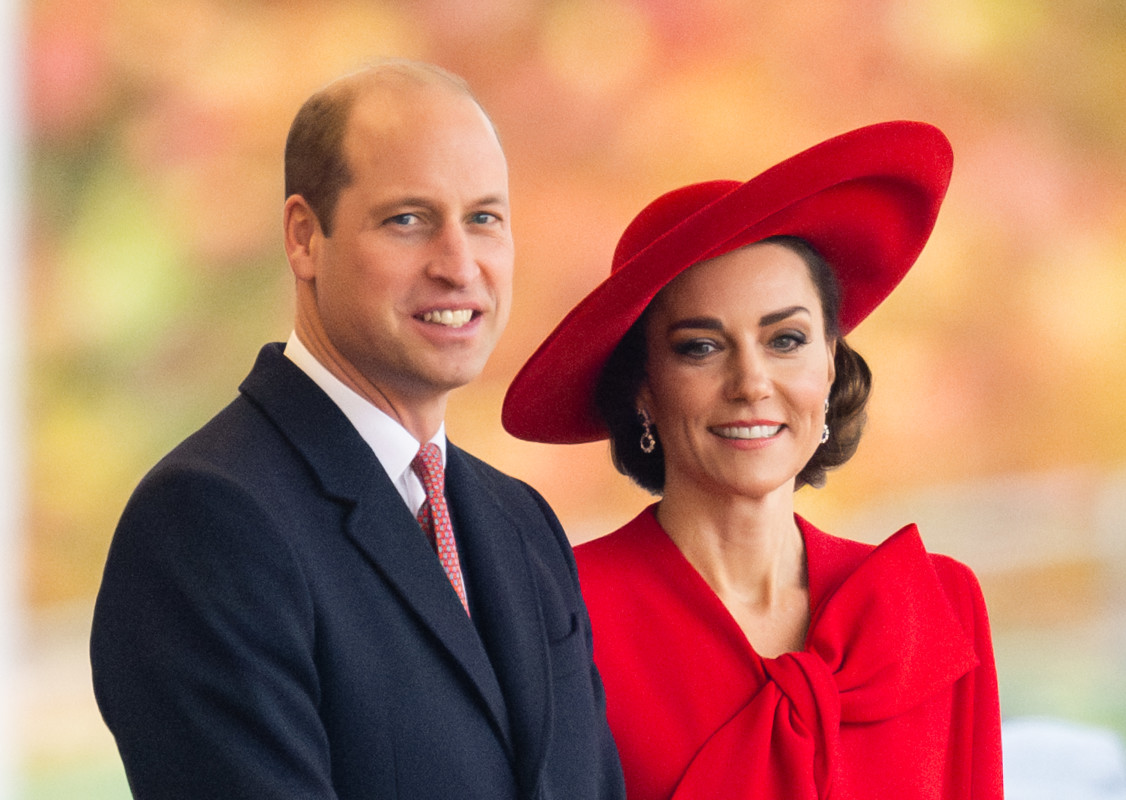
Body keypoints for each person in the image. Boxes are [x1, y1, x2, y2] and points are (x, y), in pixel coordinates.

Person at [90, 60, 625, 800]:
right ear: (305, 237)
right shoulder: (208, 523)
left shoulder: (521, 524)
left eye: (483, 218)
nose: (459, 264)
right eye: (408, 219)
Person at [502, 121, 1003, 799]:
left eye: (786, 339)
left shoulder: (934, 607)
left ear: (829, 362)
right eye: (701, 347)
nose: (751, 383)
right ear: (642, 384)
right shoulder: (557, 620)